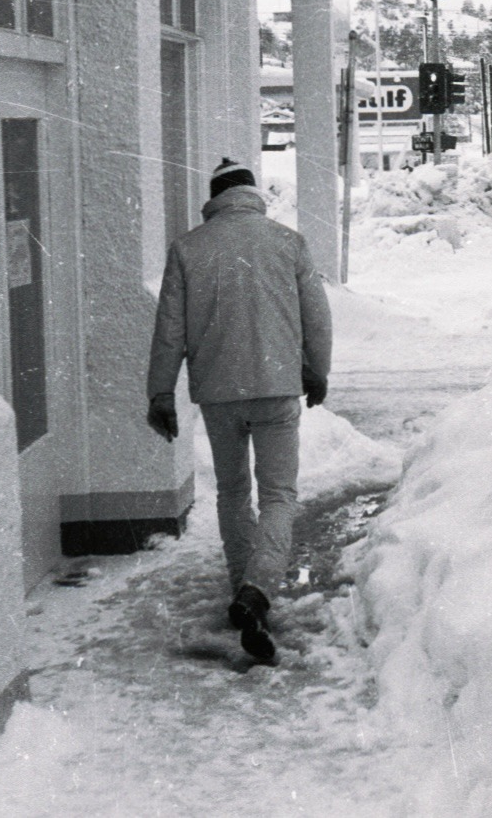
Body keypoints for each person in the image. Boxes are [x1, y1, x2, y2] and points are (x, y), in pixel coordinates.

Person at [146, 157, 333, 663]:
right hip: (276, 387)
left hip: (218, 393)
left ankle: (242, 588)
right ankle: (258, 589)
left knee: (233, 493)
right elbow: (316, 314)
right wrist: (317, 369)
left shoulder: (187, 248)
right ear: (253, 195)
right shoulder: (287, 242)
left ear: (214, 198)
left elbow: (169, 329)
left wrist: (160, 391)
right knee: (278, 494)